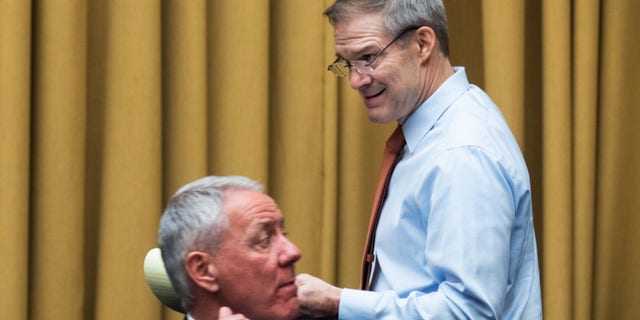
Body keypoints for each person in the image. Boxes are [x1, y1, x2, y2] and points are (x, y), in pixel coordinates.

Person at [295, 0, 543, 319]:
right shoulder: (441, 131)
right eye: (348, 63)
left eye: (368, 58)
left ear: (423, 43)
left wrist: (337, 303)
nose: (356, 80)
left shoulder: (461, 152)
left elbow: (467, 313)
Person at [158, 176, 302, 320]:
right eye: (264, 240)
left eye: (284, 234)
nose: (293, 252)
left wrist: (326, 303)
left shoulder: (321, 311)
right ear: (204, 270)